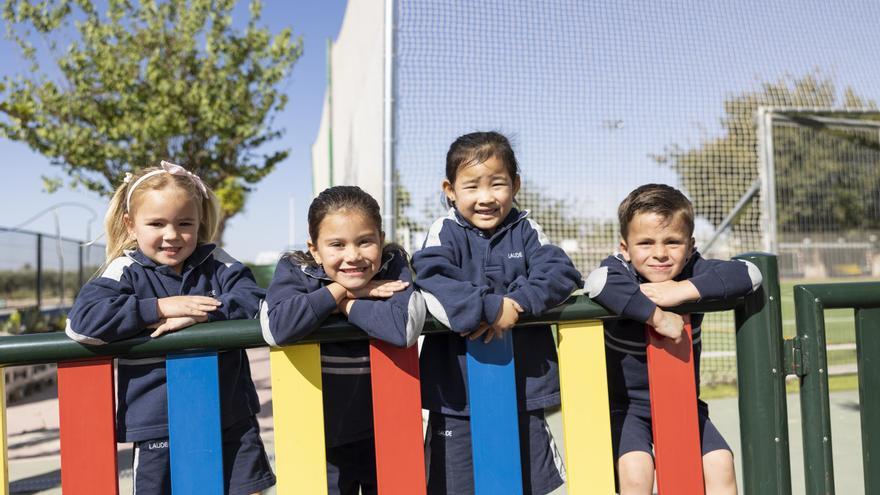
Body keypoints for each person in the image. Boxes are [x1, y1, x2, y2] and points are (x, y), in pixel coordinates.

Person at [66, 161, 275, 495]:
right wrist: (158, 307)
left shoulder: (217, 262)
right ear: (130, 225)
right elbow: (81, 323)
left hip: (230, 415)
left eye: (184, 223)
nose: (172, 235)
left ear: (199, 223)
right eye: (157, 223)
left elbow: (258, 302)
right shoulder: (126, 269)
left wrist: (203, 314)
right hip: (157, 424)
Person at [412, 131, 582, 495]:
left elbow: (561, 272)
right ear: (450, 190)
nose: (486, 197)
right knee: (452, 485)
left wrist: (516, 304)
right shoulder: (444, 231)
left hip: (523, 390)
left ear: (516, 185)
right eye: (471, 186)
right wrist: (490, 306)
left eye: (498, 184)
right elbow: (431, 277)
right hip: (457, 399)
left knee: (529, 484)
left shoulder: (526, 229)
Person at [586, 183, 762, 495]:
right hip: (627, 408)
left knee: (720, 462)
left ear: (691, 245)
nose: (660, 253)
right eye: (645, 243)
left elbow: (751, 273)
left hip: (683, 402)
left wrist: (681, 291)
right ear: (625, 248)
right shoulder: (620, 271)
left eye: (672, 242)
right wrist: (657, 316)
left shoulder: (693, 270)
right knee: (636, 469)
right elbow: (598, 283)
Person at [260, 185, 424, 495]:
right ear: (315, 249)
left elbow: (401, 327)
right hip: (321, 436)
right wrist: (338, 291)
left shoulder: (393, 264)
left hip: (386, 431)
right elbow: (279, 327)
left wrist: (346, 305)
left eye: (365, 241)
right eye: (337, 244)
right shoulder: (296, 270)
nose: (353, 256)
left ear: (380, 239)